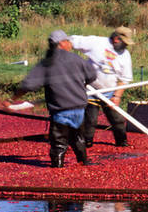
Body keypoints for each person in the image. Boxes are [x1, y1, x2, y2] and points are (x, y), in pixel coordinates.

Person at [11, 30, 96, 168]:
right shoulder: (77, 59)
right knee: (78, 138)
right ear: (61, 43)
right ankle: (83, 162)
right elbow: (92, 76)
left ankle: (58, 168)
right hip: (78, 108)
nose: (70, 44)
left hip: (60, 109)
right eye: (68, 41)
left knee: (59, 142)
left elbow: (29, 85)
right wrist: (80, 83)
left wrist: (12, 99)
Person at [69, 27, 135, 149]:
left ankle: (122, 143)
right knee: (91, 120)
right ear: (116, 39)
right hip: (91, 90)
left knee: (118, 120)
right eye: (124, 43)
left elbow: (125, 78)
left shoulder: (125, 55)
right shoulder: (96, 43)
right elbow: (71, 41)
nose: (126, 46)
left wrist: (117, 96)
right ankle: (86, 143)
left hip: (110, 92)